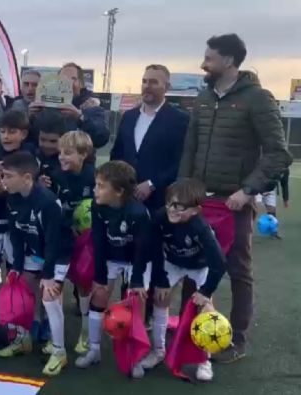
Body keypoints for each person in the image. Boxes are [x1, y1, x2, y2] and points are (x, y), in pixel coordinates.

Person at [179, 33, 293, 362]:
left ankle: (237, 339)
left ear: (229, 61)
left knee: (238, 271)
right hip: (199, 201)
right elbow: (190, 148)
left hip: (234, 203)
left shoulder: (258, 98)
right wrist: (183, 191)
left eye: (210, 58)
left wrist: (247, 190)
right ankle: (191, 329)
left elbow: (278, 154)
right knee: (192, 267)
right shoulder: (202, 98)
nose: (204, 63)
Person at [137, 178, 226, 381]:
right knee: (160, 299)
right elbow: (150, 250)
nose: (172, 209)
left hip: (199, 266)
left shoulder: (200, 228)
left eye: (179, 206)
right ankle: (158, 351)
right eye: (170, 203)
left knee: (206, 308)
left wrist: (205, 293)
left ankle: (204, 360)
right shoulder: (159, 218)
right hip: (172, 263)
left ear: (196, 210)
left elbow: (219, 264)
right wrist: (160, 279)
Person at [75, 161, 152, 377]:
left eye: (100, 186)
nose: (95, 190)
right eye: (95, 184)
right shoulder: (98, 207)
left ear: (119, 192)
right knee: (98, 296)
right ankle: (94, 349)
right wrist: (100, 276)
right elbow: (98, 242)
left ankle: (136, 355)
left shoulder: (139, 213)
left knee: (138, 301)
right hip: (111, 258)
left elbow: (142, 251)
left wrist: (136, 281)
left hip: (137, 261)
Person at [0, 151, 73, 377]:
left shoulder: (48, 202)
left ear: (28, 178)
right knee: (21, 287)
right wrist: (16, 267)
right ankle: (23, 340)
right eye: (3, 175)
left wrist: (49, 274)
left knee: (49, 295)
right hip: (34, 252)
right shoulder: (11, 196)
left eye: (8, 176)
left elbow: (53, 241)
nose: (3, 180)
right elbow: (17, 235)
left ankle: (59, 351)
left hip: (57, 253)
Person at [110, 64, 189, 211]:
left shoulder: (180, 120)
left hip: (160, 202)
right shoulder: (129, 117)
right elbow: (117, 154)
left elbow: (181, 161)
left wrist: (152, 184)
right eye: (144, 81)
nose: (147, 86)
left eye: (153, 82)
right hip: (126, 198)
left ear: (167, 87)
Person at [51, 131, 95, 354]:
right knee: (56, 284)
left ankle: (85, 331)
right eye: (60, 152)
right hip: (64, 237)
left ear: (83, 154)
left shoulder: (94, 176)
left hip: (86, 241)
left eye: (68, 153)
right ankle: (54, 335)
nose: (62, 157)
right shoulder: (56, 176)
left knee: (83, 285)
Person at [29, 62, 109, 150]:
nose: (67, 82)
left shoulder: (91, 107)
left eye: (73, 79)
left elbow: (101, 138)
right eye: (62, 79)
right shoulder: (47, 104)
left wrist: (80, 117)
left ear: (81, 83)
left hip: (79, 162)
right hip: (48, 161)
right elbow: (32, 138)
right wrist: (32, 117)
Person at [36, 110, 65, 193]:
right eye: (42, 139)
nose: (47, 145)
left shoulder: (69, 160)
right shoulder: (33, 156)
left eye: (53, 141)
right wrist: (36, 185)